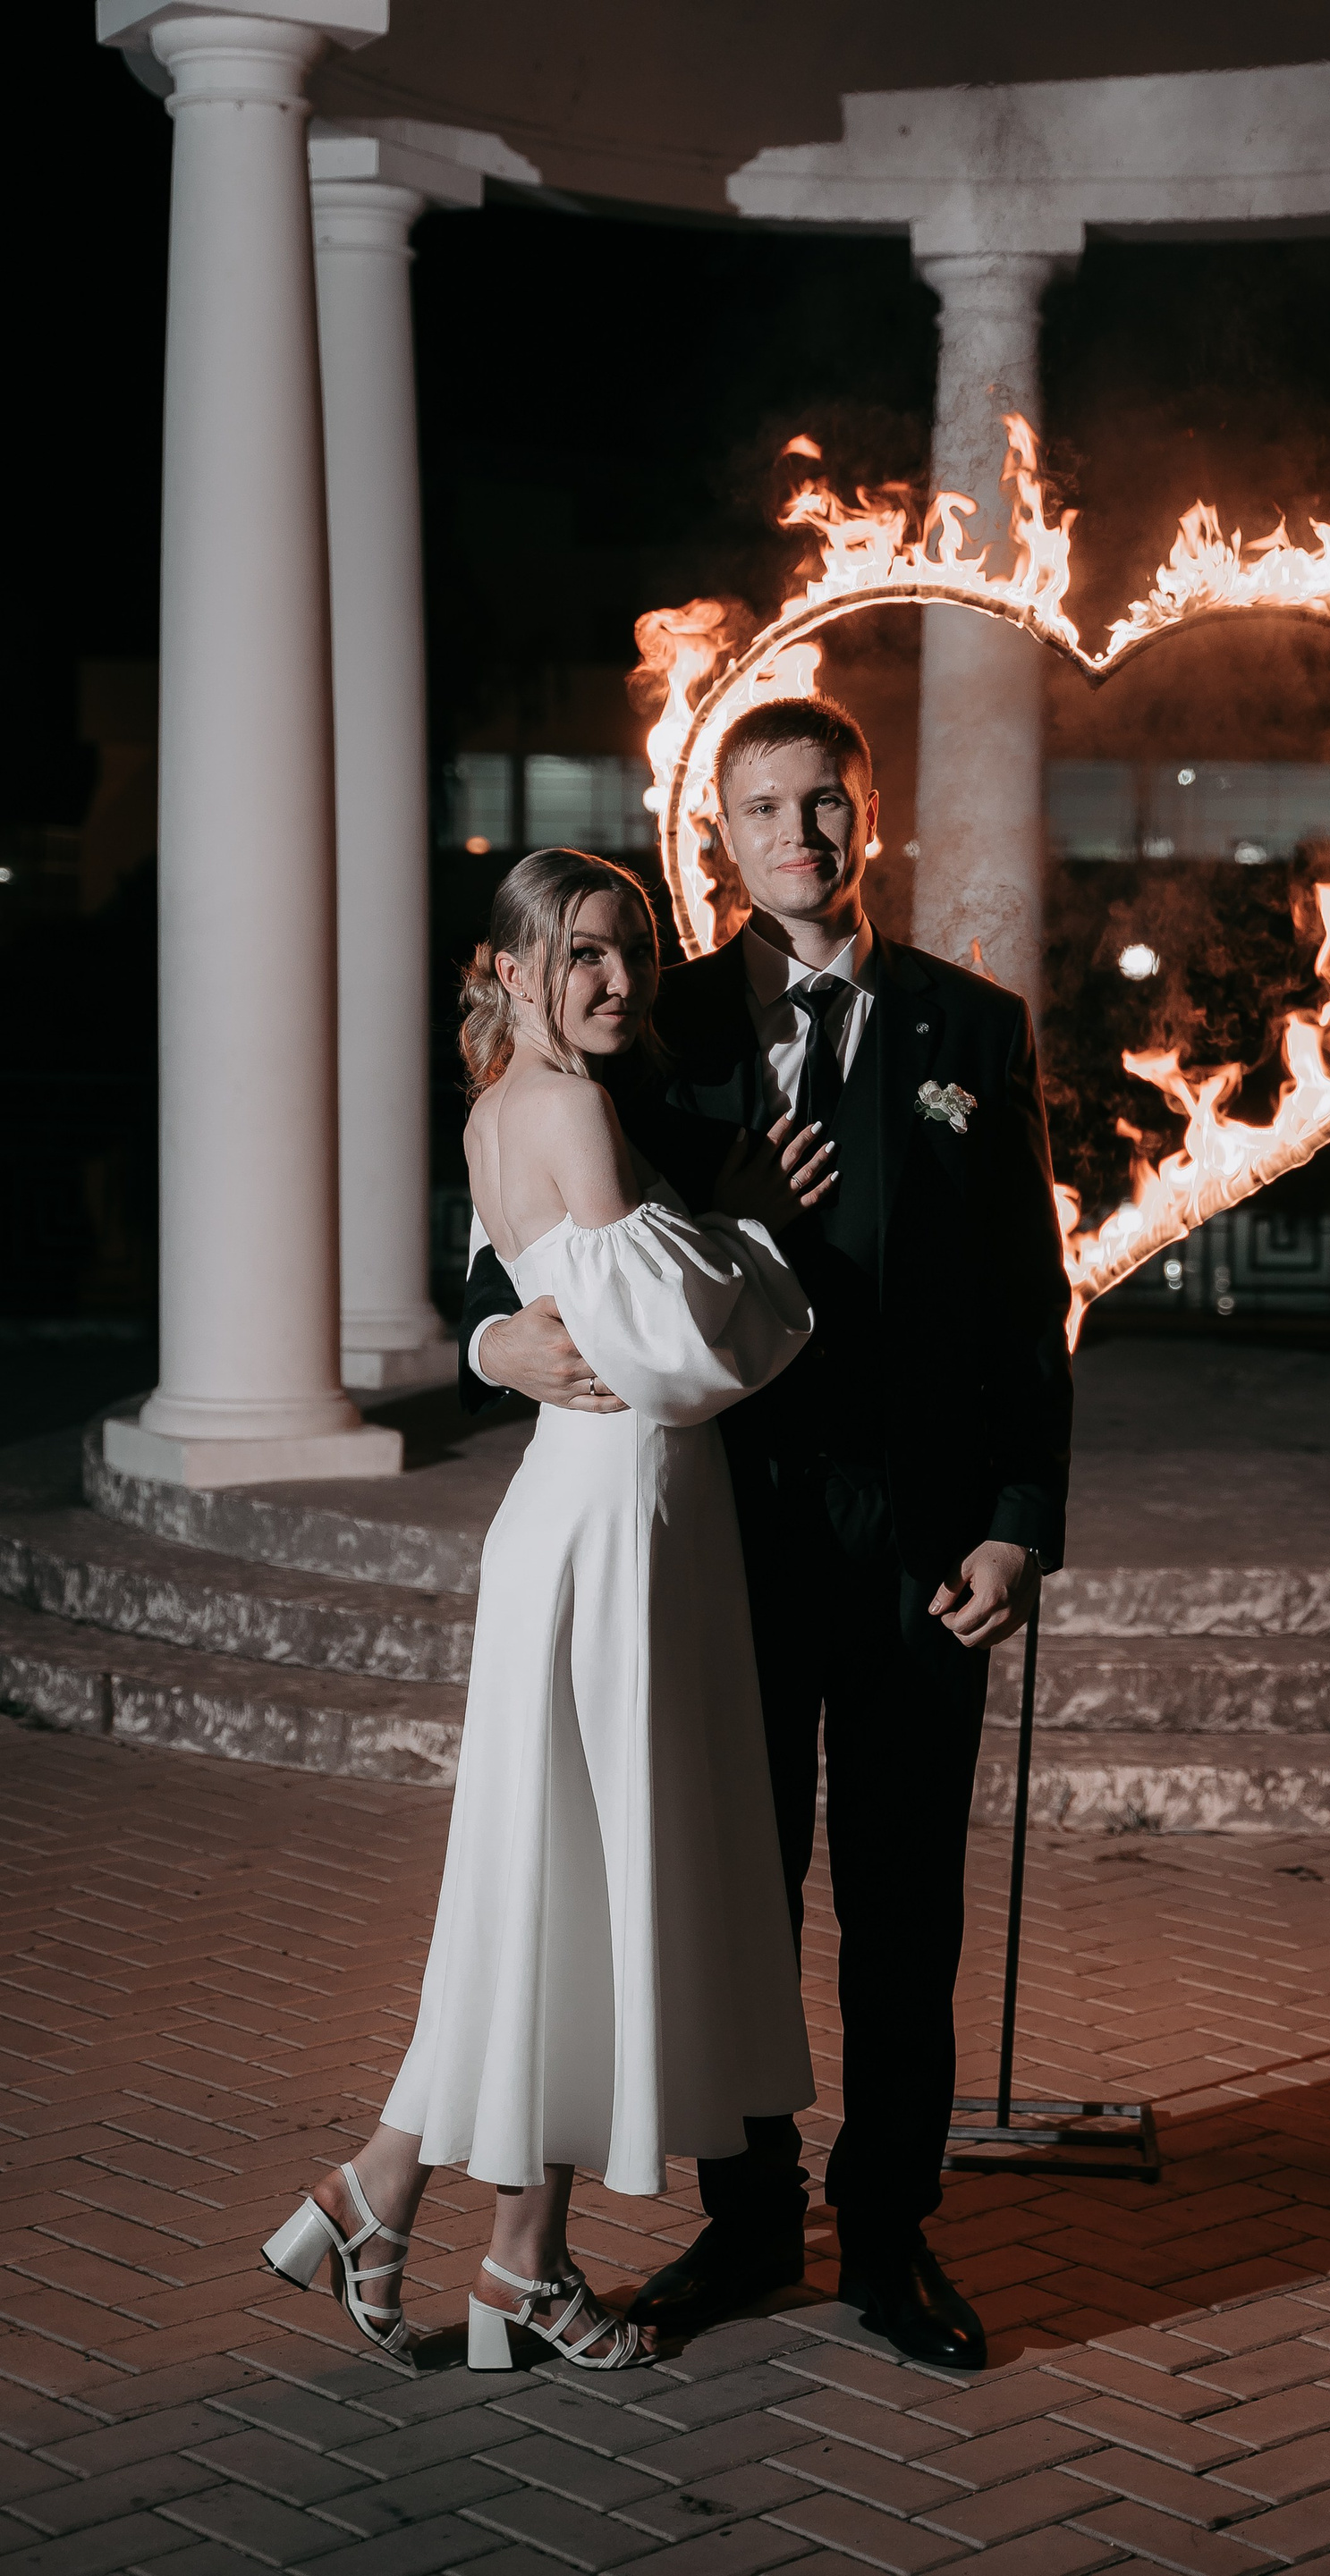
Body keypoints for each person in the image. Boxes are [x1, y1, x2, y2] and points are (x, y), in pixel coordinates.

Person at [462, 698, 1073, 2370]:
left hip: (921, 1549)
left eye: (825, 801)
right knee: (728, 1893)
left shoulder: (975, 1027)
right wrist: (491, 1345)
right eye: (763, 809)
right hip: (709, 1542)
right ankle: (745, 2222)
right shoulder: (644, 1023)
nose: (798, 833)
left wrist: (1018, 1524)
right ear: (719, 834)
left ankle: (887, 2233)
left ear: (868, 813)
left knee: (904, 1903)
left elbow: (1027, 1302)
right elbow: (512, 1238)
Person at [261, 850, 833, 2372]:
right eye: (582, 951)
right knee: (582, 1884)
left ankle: (401, 2203)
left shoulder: (499, 1108)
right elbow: (681, 1352)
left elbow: (602, 1299)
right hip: (616, 1522)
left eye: (631, 947)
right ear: (511, 969)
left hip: (596, 1518)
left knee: (558, 1889)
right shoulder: (571, 1109)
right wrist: (755, 1233)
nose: (619, 979)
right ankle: (497, 2254)